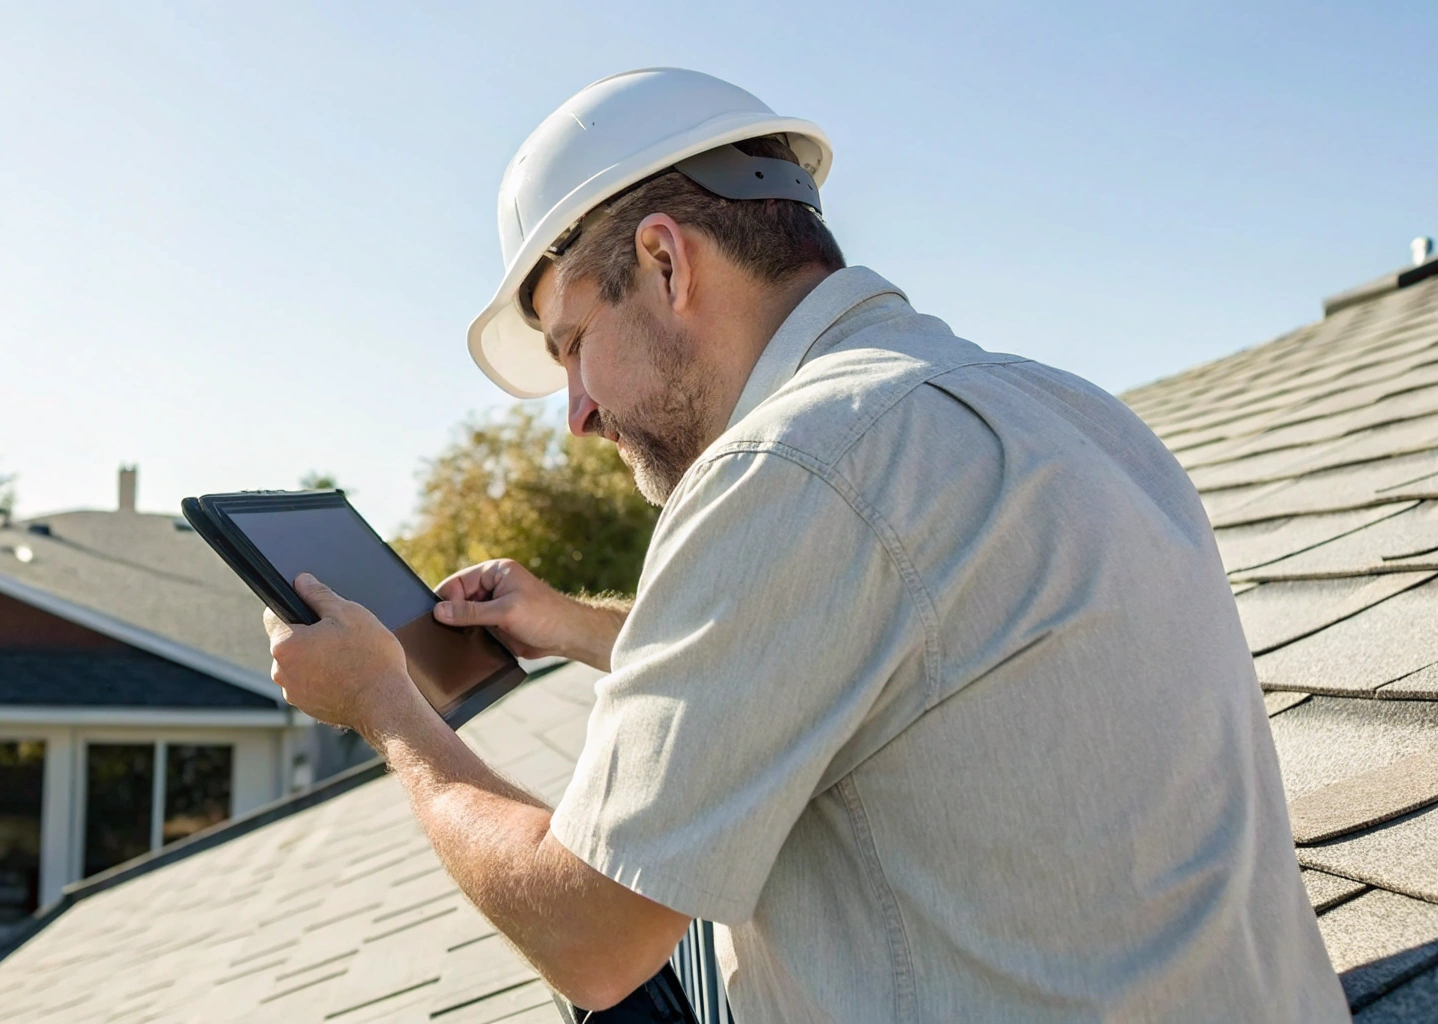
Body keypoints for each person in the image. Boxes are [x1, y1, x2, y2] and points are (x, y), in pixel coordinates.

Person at [263, 68, 1348, 1022]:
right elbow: (885, 643)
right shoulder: (1063, 409)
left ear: (663, 262)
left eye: (572, 347)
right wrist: (569, 627)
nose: (576, 414)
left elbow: (590, 939)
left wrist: (387, 707)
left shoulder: (790, 465)